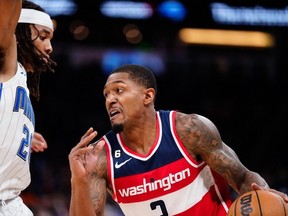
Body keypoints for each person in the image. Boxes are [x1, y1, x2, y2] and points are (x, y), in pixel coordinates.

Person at [68, 64, 288, 216]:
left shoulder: (188, 129)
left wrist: (267, 197)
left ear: (148, 96)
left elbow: (242, 178)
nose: (111, 100)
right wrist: (78, 180)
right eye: (106, 94)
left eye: (119, 90)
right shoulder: (102, 156)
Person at [0, 0, 55, 215]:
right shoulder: (6, 64)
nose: (50, 47)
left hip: (11, 202)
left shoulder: (19, 80)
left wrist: (19, 135)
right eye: (42, 37)